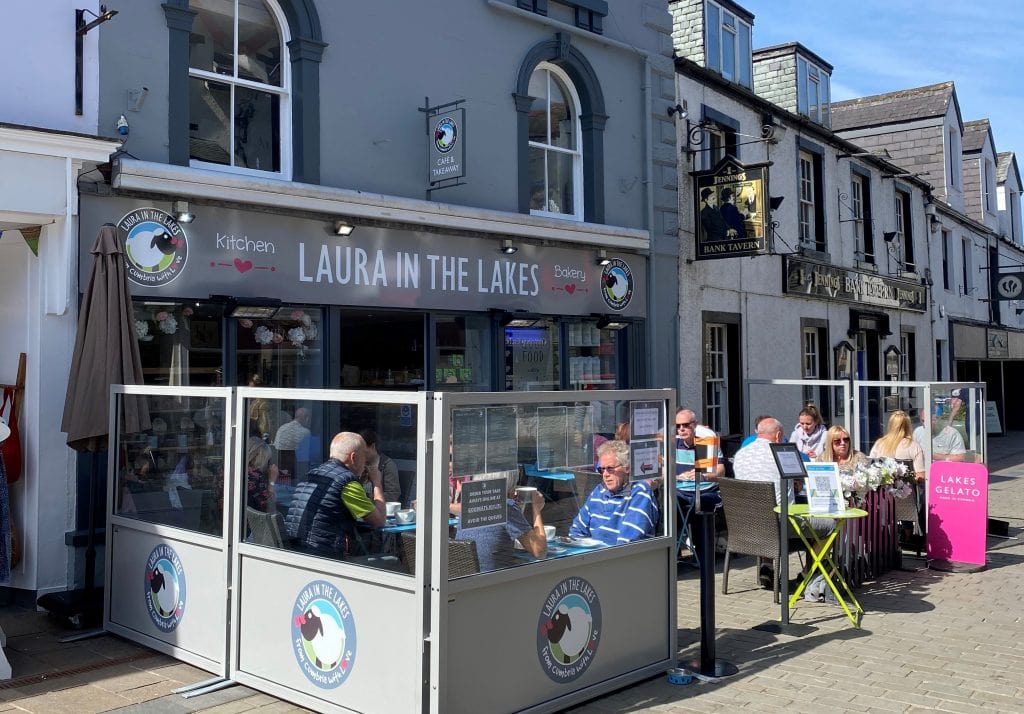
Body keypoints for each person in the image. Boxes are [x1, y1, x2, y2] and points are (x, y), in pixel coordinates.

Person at [733, 417, 832, 589]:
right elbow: (802, 482)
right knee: (830, 525)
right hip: (779, 525)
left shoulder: (740, 454)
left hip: (745, 525)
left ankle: (768, 566)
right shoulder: (782, 452)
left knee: (765, 507)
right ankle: (807, 574)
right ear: (778, 435)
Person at [283, 432, 386, 559]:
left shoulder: (312, 475)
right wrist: (376, 483)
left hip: (295, 549)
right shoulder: (346, 483)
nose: (365, 462)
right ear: (353, 457)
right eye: (364, 456)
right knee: (393, 562)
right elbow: (379, 522)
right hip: (324, 556)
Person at [570, 440, 658, 546]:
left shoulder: (640, 492)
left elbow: (627, 543)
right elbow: (577, 530)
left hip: (622, 559)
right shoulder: (599, 491)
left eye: (610, 469)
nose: (605, 474)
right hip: (594, 556)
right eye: (602, 469)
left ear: (627, 468)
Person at [455, 471, 547, 571]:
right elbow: (540, 551)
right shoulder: (506, 506)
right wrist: (536, 509)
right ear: (509, 482)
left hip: (466, 579)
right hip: (494, 580)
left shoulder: (470, 503)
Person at [870, 411, 926, 483]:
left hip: (882, 491)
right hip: (907, 491)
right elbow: (920, 475)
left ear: (890, 425)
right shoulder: (913, 446)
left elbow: (871, 468)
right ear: (908, 426)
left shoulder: (879, 444)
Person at [674, 408, 725, 480]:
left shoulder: (707, 440)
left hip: (705, 489)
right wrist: (678, 477)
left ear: (695, 425)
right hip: (680, 489)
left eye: (686, 425)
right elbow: (665, 471)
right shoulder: (674, 443)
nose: (681, 429)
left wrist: (703, 476)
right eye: (678, 426)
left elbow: (721, 472)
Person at [358, 428, 401, 504]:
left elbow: (393, 494)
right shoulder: (359, 464)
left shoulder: (387, 465)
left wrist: (367, 499)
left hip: (379, 508)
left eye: (363, 450)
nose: (361, 454)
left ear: (372, 446)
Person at [245, 436, 278, 513]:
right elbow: (268, 508)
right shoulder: (256, 477)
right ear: (260, 458)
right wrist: (271, 482)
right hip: (250, 522)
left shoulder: (231, 470)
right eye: (267, 459)